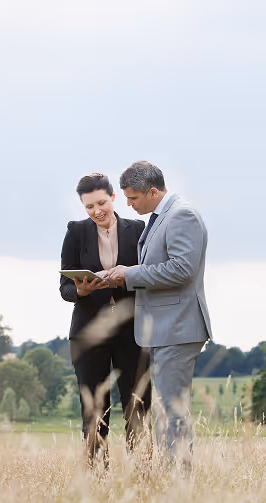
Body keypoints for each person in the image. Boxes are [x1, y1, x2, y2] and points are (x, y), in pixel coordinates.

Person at [104, 161, 212, 467]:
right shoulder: (163, 215)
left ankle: (178, 485)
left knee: (172, 411)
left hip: (178, 328)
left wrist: (130, 275)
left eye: (133, 198)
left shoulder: (181, 215)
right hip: (166, 328)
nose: (127, 204)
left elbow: (182, 268)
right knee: (167, 409)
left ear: (153, 191)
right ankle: (173, 481)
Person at [60, 173, 151, 463]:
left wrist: (129, 278)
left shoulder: (138, 228)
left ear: (113, 198)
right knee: (94, 410)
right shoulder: (75, 232)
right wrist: (81, 291)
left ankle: (142, 473)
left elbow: (150, 275)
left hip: (132, 329)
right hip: (89, 331)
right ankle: (98, 476)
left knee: (137, 405)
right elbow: (64, 288)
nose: (96, 211)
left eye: (101, 203)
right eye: (89, 207)